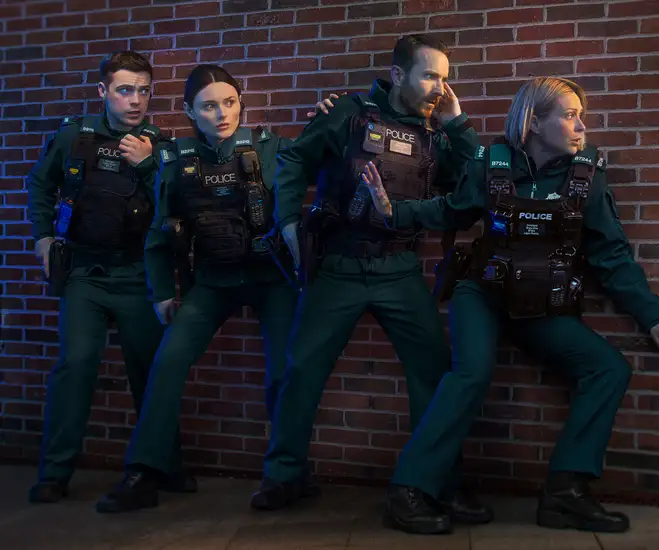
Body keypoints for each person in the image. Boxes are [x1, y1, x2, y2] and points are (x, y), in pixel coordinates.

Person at [361, 76, 659, 534]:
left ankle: (566, 495)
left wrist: (655, 316)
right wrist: (394, 212)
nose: (581, 126)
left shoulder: (587, 175)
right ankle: (409, 491)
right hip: (483, 292)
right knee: (470, 374)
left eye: (581, 115)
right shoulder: (493, 163)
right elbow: (450, 210)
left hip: (542, 303)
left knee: (607, 369)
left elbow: (611, 254)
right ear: (534, 122)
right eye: (569, 115)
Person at [249, 34, 487, 535]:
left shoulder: (435, 134)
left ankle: (440, 482)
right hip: (337, 266)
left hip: (399, 269)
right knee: (301, 370)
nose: (440, 88)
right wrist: (287, 221)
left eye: (445, 78)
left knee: (434, 374)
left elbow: (477, 182)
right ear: (398, 75)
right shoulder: (348, 114)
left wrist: (457, 124)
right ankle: (285, 476)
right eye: (430, 76)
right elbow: (294, 160)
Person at [93, 65, 336, 513]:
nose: (222, 114)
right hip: (211, 281)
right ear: (190, 111)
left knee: (285, 372)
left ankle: (289, 475)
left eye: (229, 103)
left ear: (241, 104)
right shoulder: (174, 159)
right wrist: (162, 291)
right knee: (167, 361)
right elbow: (160, 230)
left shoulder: (271, 148)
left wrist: (327, 121)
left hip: (272, 280)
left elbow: (328, 160)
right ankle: (145, 471)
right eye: (208, 106)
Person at [26, 51, 195, 504]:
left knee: (151, 372)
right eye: (124, 90)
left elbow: (179, 202)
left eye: (143, 91)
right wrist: (42, 237)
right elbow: (40, 184)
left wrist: (149, 164)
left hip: (138, 274)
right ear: (103, 91)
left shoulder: (161, 146)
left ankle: (165, 464)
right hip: (85, 273)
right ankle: (54, 473)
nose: (135, 100)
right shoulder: (73, 136)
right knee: (76, 365)